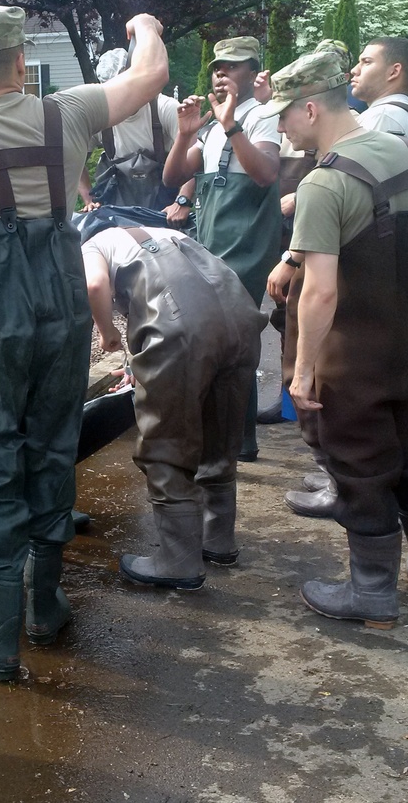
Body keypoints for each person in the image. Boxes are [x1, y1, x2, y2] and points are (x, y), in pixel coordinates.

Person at [0, 5, 168, 681]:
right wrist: (144, 28)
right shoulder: (68, 114)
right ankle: (45, 608)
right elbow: (151, 75)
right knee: (49, 449)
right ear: (22, 62)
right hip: (59, 321)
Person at [263, 51, 408, 630]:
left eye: (285, 116)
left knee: (362, 466)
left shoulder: (326, 180)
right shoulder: (405, 151)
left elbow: (319, 294)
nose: (282, 128)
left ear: (311, 108)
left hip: (360, 353)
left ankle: (371, 596)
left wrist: (302, 372)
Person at [82, 226, 266, 588]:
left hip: (181, 331)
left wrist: (106, 332)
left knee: (166, 439)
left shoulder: (92, 245)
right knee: (221, 430)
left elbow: (94, 286)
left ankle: (178, 561)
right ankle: (218, 540)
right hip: (241, 319)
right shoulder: (164, 234)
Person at [162, 35, 281, 462]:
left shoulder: (263, 116)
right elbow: (174, 176)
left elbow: (267, 173)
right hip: (213, 247)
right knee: (219, 341)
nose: (222, 73)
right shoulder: (212, 126)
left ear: (253, 71)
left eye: (233, 66)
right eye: (218, 66)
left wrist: (232, 124)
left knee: (235, 342)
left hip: (247, 250)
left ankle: (237, 439)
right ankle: (229, 435)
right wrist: (184, 134)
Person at [79, 48, 186, 223]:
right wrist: (88, 199)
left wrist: (182, 201)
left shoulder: (165, 108)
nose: (117, 96)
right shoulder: (99, 119)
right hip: (118, 213)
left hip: (166, 210)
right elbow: (73, 161)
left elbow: (194, 158)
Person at [350, 37, 408, 144]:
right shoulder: (398, 114)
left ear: (393, 71)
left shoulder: (382, 117)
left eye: (367, 62)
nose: (354, 70)